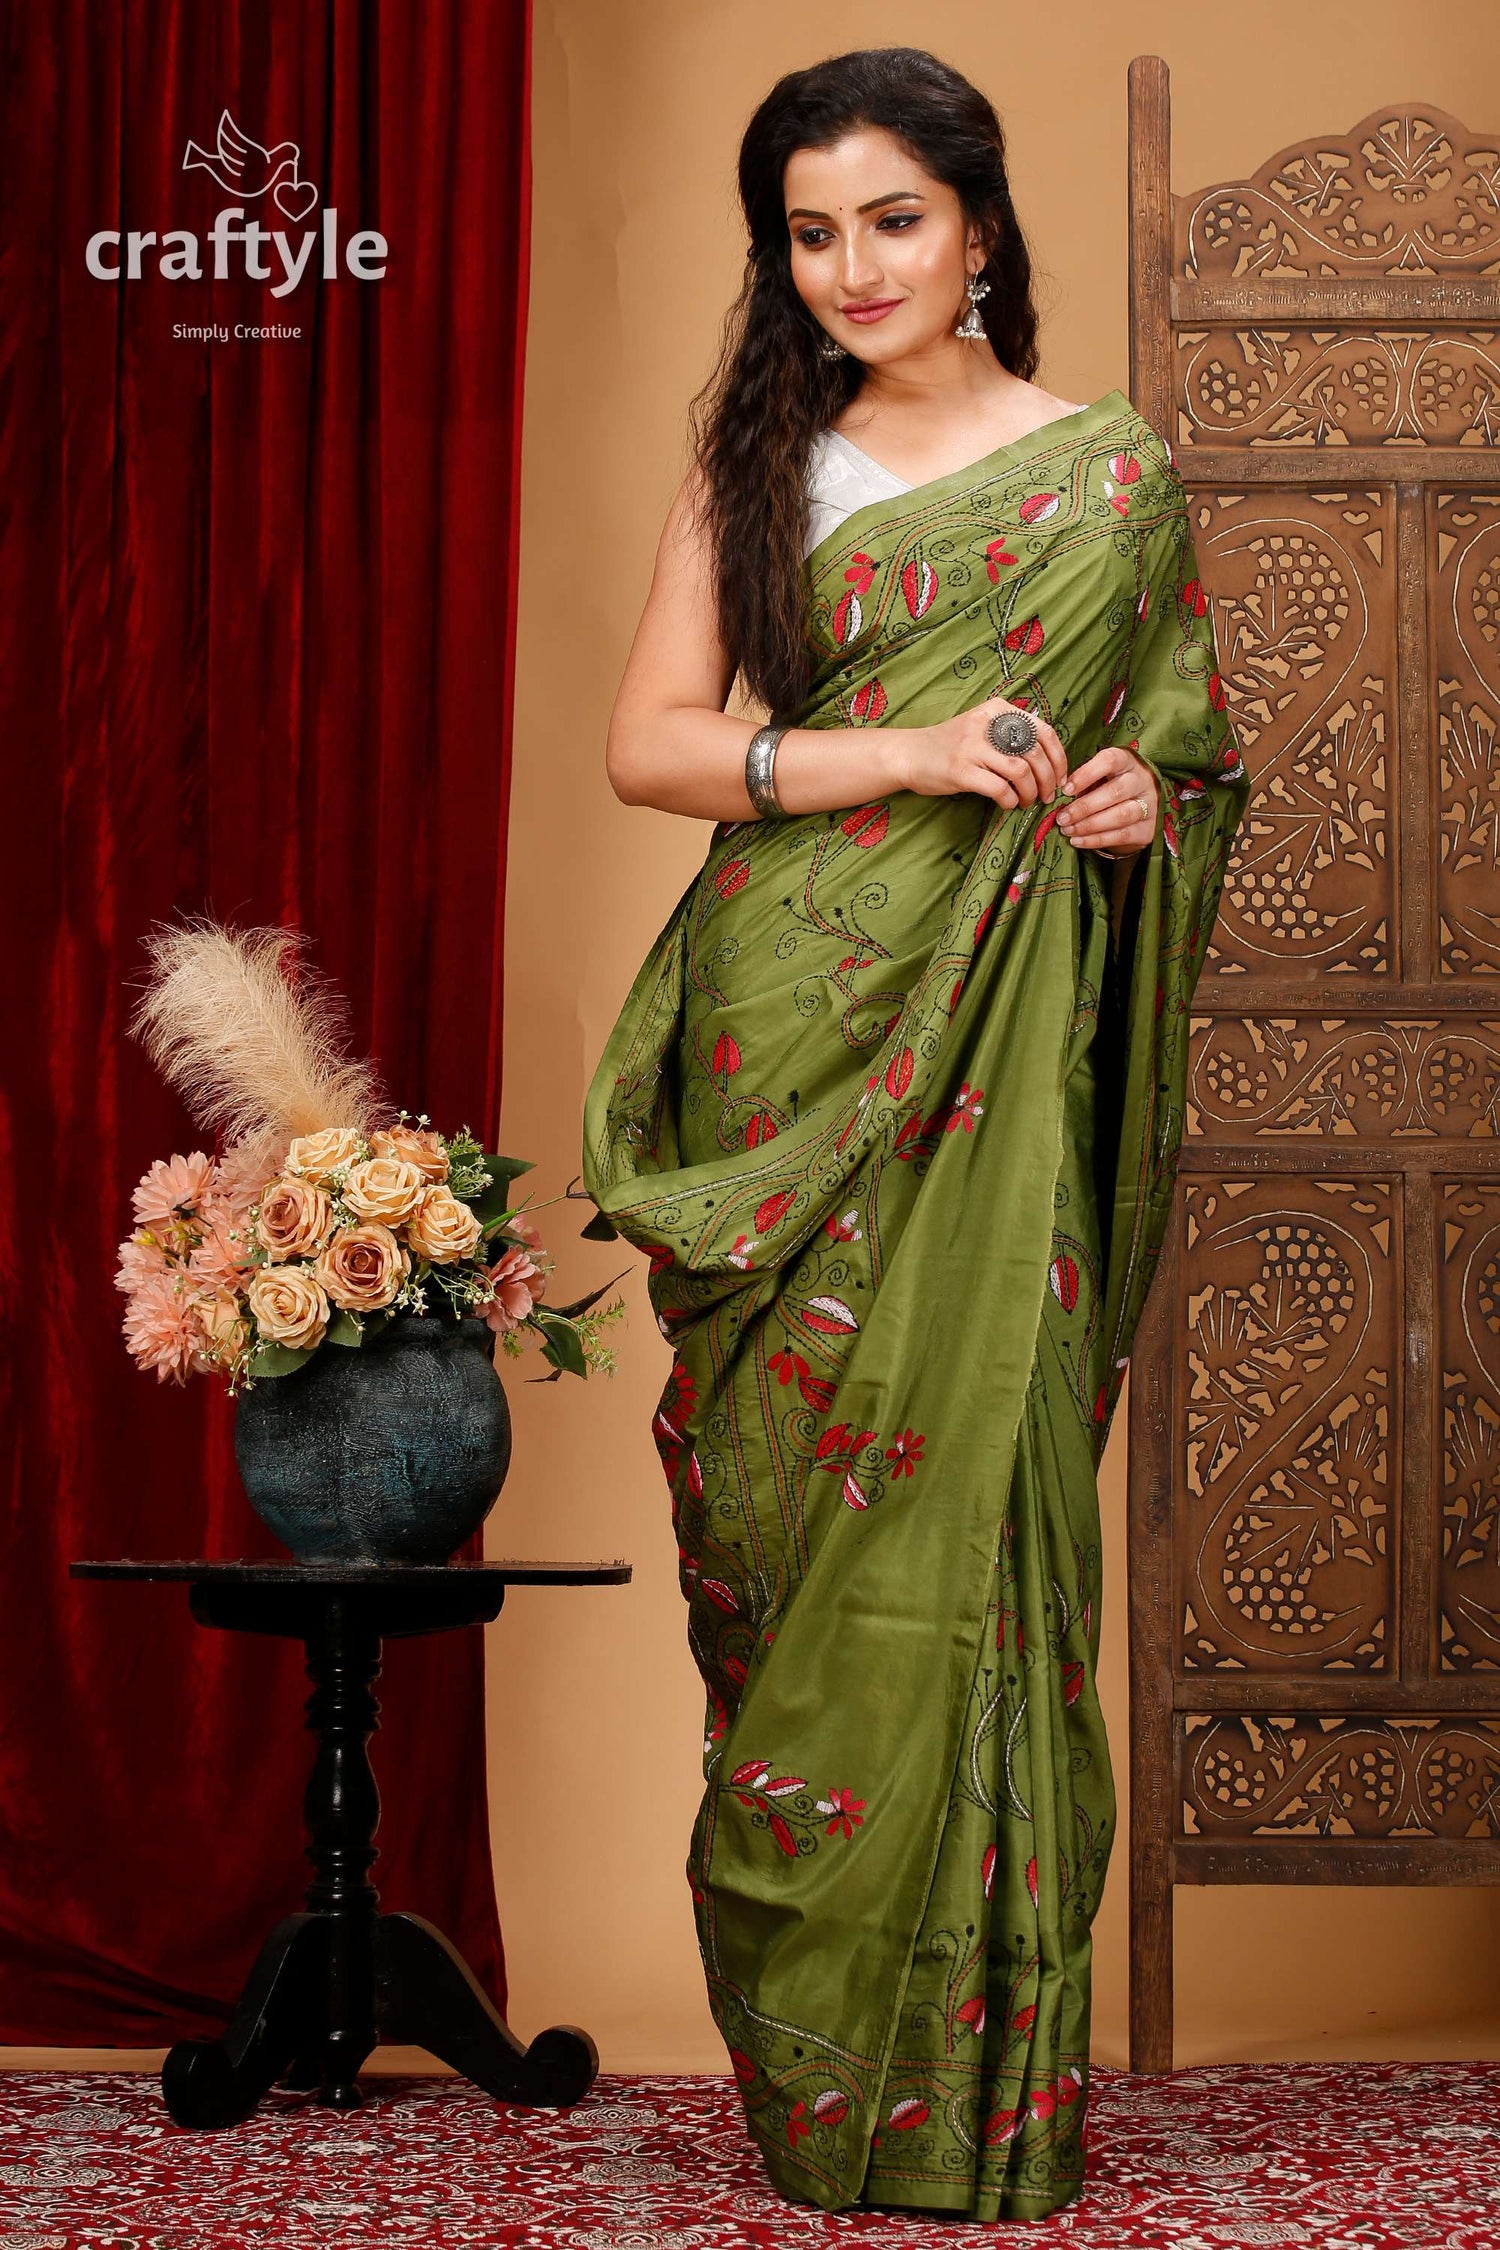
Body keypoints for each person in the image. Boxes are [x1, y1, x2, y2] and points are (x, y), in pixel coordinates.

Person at [581, 44, 1250, 2224]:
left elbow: (1167, 764)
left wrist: (1137, 812)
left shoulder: (1110, 476)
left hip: (997, 1068)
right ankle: (824, 2085)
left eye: (892, 219)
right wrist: (900, 759)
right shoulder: (763, 454)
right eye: (809, 229)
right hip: (794, 1040)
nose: (852, 266)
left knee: (979, 1507)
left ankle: (979, 2100)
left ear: (979, 227)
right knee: (796, 1549)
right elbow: (655, 749)